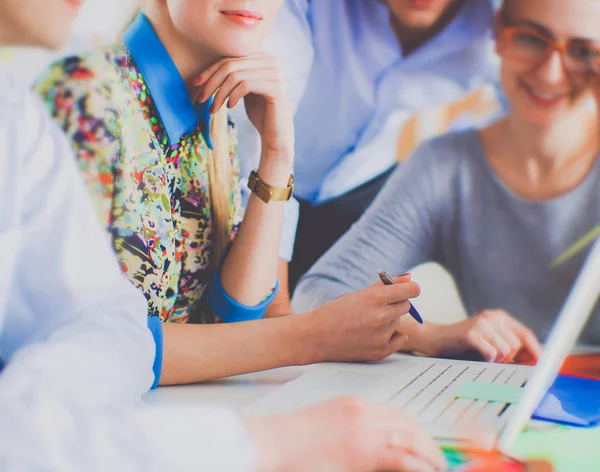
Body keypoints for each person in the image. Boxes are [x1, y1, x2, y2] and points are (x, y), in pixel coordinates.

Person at [0, 1, 450, 471]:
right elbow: (91, 344)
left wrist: (277, 153)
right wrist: (318, 335)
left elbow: (226, 329)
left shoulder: (216, 115)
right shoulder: (87, 95)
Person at [294, 0, 600, 363]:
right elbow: (316, 294)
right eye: (532, 40)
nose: (551, 73)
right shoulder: (444, 168)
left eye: (583, 52)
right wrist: (426, 335)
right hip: (502, 400)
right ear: (499, 34)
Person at [231, 0, 501, 291]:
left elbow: (532, 111)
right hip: (262, 176)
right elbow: (258, 131)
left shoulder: (499, 23)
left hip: (360, 187)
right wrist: (277, 308)